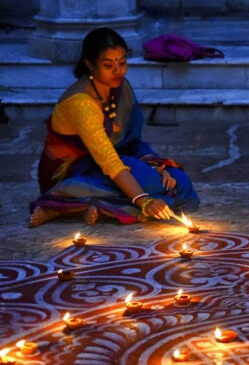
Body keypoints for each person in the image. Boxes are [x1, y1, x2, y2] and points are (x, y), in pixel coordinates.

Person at [29, 27, 200, 227]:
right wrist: (145, 200)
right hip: (76, 171)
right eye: (108, 65)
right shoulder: (81, 103)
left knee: (179, 181)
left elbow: (132, 141)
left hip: (119, 162)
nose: (118, 71)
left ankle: (102, 208)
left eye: (122, 62)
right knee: (150, 184)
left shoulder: (121, 87)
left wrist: (155, 167)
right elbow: (108, 160)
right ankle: (61, 203)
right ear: (89, 64)